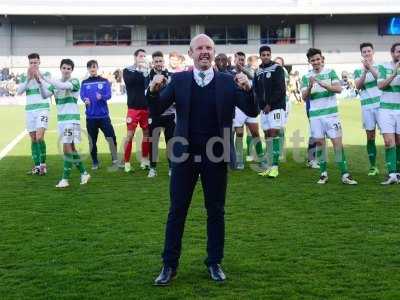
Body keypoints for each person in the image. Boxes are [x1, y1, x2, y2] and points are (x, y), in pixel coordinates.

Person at [148, 34, 258, 285]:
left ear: (214, 52)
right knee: (177, 210)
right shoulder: (179, 80)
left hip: (216, 154)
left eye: (209, 47)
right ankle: (169, 265)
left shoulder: (228, 81)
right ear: (191, 53)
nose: (205, 52)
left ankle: (214, 262)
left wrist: (250, 88)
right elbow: (155, 110)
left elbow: (252, 110)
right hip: (184, 154)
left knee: (216, 211)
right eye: (200, 48)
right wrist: (153, 91)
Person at [301, 48, 357, 185]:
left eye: (317, 59)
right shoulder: (305, 77)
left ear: (322, 60)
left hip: (331, 115)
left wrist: (323, 84)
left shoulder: (330, 72)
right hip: (315, 117)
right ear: (309, 62)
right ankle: (323, 174)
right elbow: (303, 97)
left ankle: (345, 174)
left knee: (337, 144)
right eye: (312, 60)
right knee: (320, 144)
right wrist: (309, 86)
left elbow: (338, 89)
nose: (315, 62)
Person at [37, 59, 90, 188]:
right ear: (60, 68)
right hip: (62, 120)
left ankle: (65, 179)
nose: (66, 70)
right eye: (64, 68)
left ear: (72, 70)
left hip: (71, 120)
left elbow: (62, 86)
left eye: (69, 68)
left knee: (66, 148)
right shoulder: (56, 83)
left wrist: (45, 78)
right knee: (71, 148)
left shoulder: (74, 81)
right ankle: (84, 173)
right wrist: (40, 83)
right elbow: (45, 95)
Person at [254, 45, 286, 178]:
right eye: (263, 55)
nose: (266, 57)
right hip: (264, 109)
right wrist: (262, 105)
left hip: (276, 107)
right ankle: (269, 166)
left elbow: (280, 89)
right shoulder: (258, 71)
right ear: (260, 56)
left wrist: (269, 103)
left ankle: (275, 167)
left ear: (270, 55)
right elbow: (256, 90)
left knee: (274, 134)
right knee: (267, 135)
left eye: (268, 54)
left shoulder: (277, 68)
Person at [80, 60, 118, 170]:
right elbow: (82, 95)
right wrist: (85, 100)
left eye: (94, 67)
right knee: (92, 141)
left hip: (103, 116)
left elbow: (109, 95)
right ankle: (95, 161)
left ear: (97, 68)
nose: (92, 69)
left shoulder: (104, 81)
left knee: (111, 137)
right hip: (91, 117)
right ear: (88, 69)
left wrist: (102, 97)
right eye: (90, 67)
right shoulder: (84, 83)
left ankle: (115, 158)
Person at [231, 51, 265, 169]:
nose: (240, 62)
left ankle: (261, 159)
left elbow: (255, 78)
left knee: (255, 133)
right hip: (238, 108)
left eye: (242, 60)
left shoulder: (250, 72)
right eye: (238, 59)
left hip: (251, 107)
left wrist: (244, 71)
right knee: (239, 134)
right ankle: (239, 160)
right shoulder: (230, 73)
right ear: (234, 60)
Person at [17, 53, 50, 176]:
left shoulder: (46, 75)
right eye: (31, 62)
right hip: (30, 110)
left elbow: (47, 91)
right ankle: (36, 166)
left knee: (40, 136)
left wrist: (39, 79)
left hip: (42, 109)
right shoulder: (24, 77)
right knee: (33, 138)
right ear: (29, 64)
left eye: (35, 62)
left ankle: (43, 165)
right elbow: (19, 92)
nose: (33, 65)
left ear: (39, 62)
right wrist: (28, 78)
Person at [354, 42, 382, 176]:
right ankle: (373, 166)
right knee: (370, 137)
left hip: (382, 107)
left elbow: (381, 79)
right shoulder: (357, 71)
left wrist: (370, 67)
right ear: (361, 54)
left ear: (373, 52)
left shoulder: (380, 67)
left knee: (392, 137)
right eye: (364, 52)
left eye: (368, 51)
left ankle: (395, 167)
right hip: (367, 107)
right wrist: (364, 72)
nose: (366, 53)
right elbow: (358, 86)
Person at [147, 51, 175, 178]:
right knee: (153, 142)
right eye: (156, 61)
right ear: (153, 63)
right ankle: (152, 168)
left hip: (169, 114)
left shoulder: (171, 76)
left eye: (160, 61)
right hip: (154, 115)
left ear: (164, 62)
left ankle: (171, 167)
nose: (158, 63)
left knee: (171, 141)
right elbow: (145, 95)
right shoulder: (147, 76)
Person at [122, 49, 150, 172]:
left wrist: (146, 72)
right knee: (129, 135)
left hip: (145, 108)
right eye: (140, 56)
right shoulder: (127, 70)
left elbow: (147, 86)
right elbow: (129, 81)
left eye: (144, 56)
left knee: (146, 134)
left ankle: (144, 160)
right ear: (135, 57)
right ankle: (127, 163)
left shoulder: (147, 71)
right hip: (133, 108)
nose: (142, 58)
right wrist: (139, 69)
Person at [377, 42, 400, 184]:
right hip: (385, 109)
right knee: (388, 142)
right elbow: (380, 85)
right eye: (398, 51)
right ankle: (392, 174)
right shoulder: (383, 67)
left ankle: (398, 173)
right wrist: (394, 73)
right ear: (392, 53)